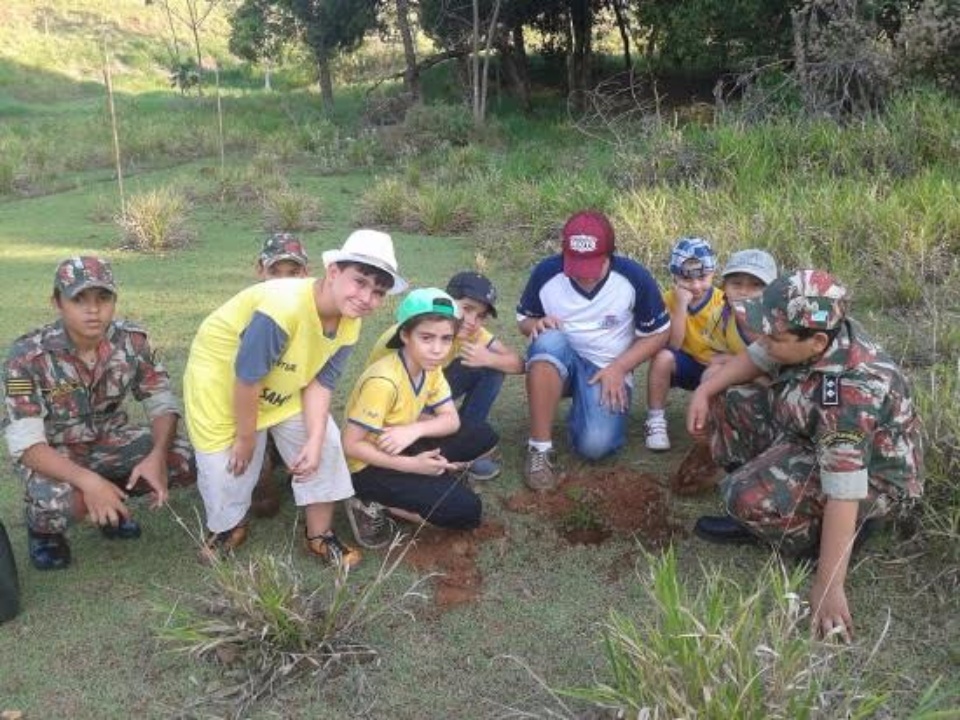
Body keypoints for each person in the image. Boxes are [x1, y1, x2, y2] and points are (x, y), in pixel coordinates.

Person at [687, 270, 923, 642]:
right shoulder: (810, 329)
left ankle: (822, 535)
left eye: (774, 336)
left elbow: (845, 489)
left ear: (815, 342)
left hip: (869, 482)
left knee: (743, 497)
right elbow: (757, 357)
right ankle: (772, 492)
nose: (763, 339)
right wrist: (704, 391)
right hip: (808, 432)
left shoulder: (850, 392)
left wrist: (829, 587)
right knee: (727, 397)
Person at [183, 229, 405, 567]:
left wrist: (314, 439)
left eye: (378, 292)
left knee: (327, 445)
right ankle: (228, 527)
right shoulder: (281, 309)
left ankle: (319, 535)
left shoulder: (350, 321)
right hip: (223, 381)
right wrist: (246, 438)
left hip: (282, 380)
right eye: (360, 282)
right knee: (230, 466)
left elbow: (320, 383)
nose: (366, 298)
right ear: (333, 272)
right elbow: (247, 379)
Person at [2, 256, 195, 570]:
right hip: (55, 453)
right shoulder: (27, 356)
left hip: (109, 440)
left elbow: (162, 404)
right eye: (79, 299)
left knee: (184, 459)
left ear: (114, 300)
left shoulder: (132, 341)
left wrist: (157, 456)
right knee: (59, 505)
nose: (93, 309)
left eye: (103, 298)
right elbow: (27, 447)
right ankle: (44, 531)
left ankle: (112, 505)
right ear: (57, 302)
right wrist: (89, 483)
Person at [516, 210, 671, 491]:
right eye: (577, 267)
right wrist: (536, 325)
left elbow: (659, 333)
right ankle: (538, 449)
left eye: (593, 267)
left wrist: (620, 367)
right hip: (559, 360)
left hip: (607, 369)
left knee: (595, 445)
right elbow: (524, 320)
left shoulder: (634, 277)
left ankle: (584, 411)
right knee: (548, 342)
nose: (585, 277)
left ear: (610, 255)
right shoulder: (546, 272)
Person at [342, 288, 499, 549]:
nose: (437, 349)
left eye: (446, 339)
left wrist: (413, 430)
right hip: (366, 465)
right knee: (468, 511)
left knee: (483, 434)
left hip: (399, 442)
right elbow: (351, 445)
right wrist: (412, 466)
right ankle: (366, 499)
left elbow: (451, 420)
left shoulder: (430, 367)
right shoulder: (383, 381)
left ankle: (431, 477)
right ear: (405, 335)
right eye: (426, 337)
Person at [365, 271, 524, 481]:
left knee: (491, 368)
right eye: (467, 309)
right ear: (448, 301)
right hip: (391, 406)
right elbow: (385, 408)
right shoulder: (409, 334)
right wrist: (439, 423)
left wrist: (489, 359)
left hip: (428, 388)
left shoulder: (470, 330)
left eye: (481, 316)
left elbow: (519, 364)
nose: (472, 321)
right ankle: (444, 444)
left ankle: (466, 445)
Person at [249, 232, 310, 519]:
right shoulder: (244, 312)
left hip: (289, 407)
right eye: (275, 271)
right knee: (264, 506)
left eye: (293, 272)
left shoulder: (314, 315)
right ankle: (263, 464)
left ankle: (284, 460)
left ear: (305, 273)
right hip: (249, 411)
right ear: (260, 270)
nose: (284, 281)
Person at [644, 237, 724, 451]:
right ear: (674, 277)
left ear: (713, 273)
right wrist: (680, 307)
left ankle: (716, 424)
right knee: (662, 358)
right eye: (687, 279)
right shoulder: (668, 300)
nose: (696, 286)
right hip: (685, 363)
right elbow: (674, 345)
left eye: (703, 277)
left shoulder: (722, 301)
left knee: (718, 372)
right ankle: (656, 420)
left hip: (715, 367)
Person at [701, 248, 778, 377]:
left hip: (781, 380)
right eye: (736, 284)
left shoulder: (782, 320)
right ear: (724, 288)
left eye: (756, 285)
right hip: (744, 375)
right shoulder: (719, 318)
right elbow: (714, 359)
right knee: (711, 374)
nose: (744, 292)